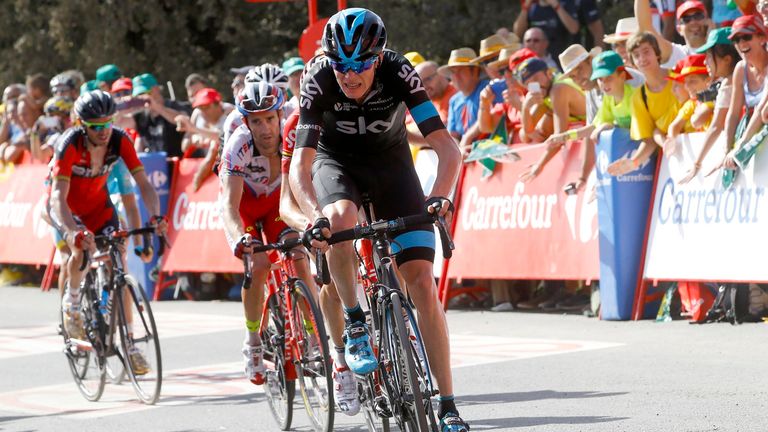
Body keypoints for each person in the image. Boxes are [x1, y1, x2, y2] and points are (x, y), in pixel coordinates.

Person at [289, 8, 468, 431]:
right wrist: (314, 218)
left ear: (378, 58)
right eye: (340, 66)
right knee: (339, 218)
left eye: (359, 67)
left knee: (422, 282)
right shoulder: (318, 78)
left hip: (391, 164)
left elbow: (447, 147)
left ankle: (447, 405)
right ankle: (354, 321)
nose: (348, 76)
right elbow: (300, 166)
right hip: (337, 165)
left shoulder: (398, 71)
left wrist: (440, 194)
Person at [48, 90, 167, 372]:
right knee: (80, 250)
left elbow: (143, 186)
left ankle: (130, 342)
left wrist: (156, 216)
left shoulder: (119, 140)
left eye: (107, 123)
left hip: (99, 209)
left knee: (118, 260)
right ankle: (72, 305)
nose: (103, 131)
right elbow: (56, 197)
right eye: (96, 126)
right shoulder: (70, 144)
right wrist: (71, 231)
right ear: (82, 124)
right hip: (68, 208)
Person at [217, 81, 317, 386]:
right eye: (256, 121)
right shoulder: (239, 144)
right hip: (246, 205)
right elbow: (229, 207)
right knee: (258, 264)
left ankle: (314, 338)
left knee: (298, 256)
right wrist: (239, 240)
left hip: (277, 202)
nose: (265, 129)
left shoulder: (292, 132)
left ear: (279, 116)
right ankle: (253, 341)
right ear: (246, 123)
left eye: (270, 119)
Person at [607, 32, 681, 176]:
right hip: (673, 160)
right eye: (636, 55)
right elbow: (649, 140)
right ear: (632, 63)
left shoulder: (680, 76)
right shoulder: (638, 97)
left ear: (657, 54)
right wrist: (633, 162)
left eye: (646, 52)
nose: (642, 59)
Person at [680, 27, 739, 183]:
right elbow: (717, 125)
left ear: (727, 59)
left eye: (708, 56)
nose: (705, 62)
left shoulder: (731, 81)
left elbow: (716, 125)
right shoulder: (732, 80)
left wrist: (697, 163)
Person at [711, 16, 768, 175]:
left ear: (762, 37)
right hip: (756, 137)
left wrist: (741, 145)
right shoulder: (740, 68)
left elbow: (760, 110)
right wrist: (727, 149)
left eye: (746, 37)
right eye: (736, 39)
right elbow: (733, 114)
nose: (741, 43)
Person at [176, 88, 234, 189]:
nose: (203, 112)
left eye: (206, 107)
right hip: (203, 163)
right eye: (200, 107)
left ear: (218, 105)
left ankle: (198, 178)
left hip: (225, 164)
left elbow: (223, 137)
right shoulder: (197, 114)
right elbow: (184, 146)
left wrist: (195, 130)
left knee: (214, 146)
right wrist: (195, 138)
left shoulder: (229, 113)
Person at [125, 73, 192, 157]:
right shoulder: (141, 116)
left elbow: (184, 120)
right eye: (139, 95)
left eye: (146, 92)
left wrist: (156, 106)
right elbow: (118, 123)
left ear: (157, 89)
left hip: (176, 165)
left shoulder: (175, 106)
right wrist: (124, 107)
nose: (143, 97)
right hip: (155, 165)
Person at [514, 0, 603, 63]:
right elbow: (517, 34)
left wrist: (556, 6)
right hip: (536, 60)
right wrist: (525, 7)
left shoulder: (565, 4)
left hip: (562, 59)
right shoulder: (532, 7)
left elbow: (574, 29)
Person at [635, 0, 712, 69]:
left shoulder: (720, 49)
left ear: (708, 21)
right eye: (686, 19)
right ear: (679, 29)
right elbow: (645, 27)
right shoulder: (677, 53)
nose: (693, 22)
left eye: (698, 16)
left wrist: (713, 37)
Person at [664, 54, 712, 151]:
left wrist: (695, 115)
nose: (687, 87)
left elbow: (697, 121)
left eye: (693, 81)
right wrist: (671, 139)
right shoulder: (692, 103)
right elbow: (674, 126)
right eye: (685, 82)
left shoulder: (713, 99)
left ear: (708, 80)